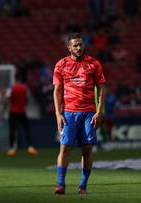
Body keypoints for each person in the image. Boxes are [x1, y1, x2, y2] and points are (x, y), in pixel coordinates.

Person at [53, 33, 106, 196]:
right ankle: (60, 184)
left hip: (89, 113)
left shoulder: (94, 63)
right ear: (69, 47)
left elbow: (101, 88)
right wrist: (58, 114)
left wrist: (99, 111)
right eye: (75, 45)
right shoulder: (61, 65)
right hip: (69, 113)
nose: (79, 47)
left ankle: (83, 186)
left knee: (87, 149)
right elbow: (57, 91)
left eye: (81, 44)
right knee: (65, 148)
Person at [5, 73, 38, 156]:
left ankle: (12, 149)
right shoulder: (24, 88)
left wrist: (6, 107)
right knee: (27, 130)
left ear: (15, 79)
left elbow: (7, 98)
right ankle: (30, 148)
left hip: (13, 111)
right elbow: (27, 98)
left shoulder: (11, 87)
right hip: (22, 111)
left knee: (12, 130)